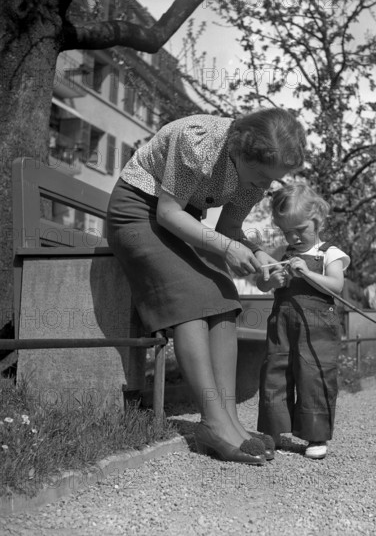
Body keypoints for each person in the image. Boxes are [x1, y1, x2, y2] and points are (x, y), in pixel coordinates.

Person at [106, 108, 306, 465]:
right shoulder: (198, 141)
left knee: (224, 295)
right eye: (260, 177)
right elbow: (168, 212)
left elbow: (230, 231)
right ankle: (213, 422)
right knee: (194, 294)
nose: (263, 187)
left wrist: (258, 257)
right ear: (240, 149)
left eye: (271, 181)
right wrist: (228, 249)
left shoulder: (253, 178)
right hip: (139, 214)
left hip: (181, 223)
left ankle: (229, 420)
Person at [256, 183, 350, 460]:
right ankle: (272, 431)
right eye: (287, 232)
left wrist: (307, 273)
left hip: (318, 325)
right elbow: (263, 283)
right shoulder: (283, 254)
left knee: (315, 376)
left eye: (300, 230)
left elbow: (336, 286)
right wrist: (271, 281)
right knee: (275, 370)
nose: (293, 237)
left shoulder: (329, 252)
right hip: (282, 323)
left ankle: (316, 435)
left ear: (317, 221)